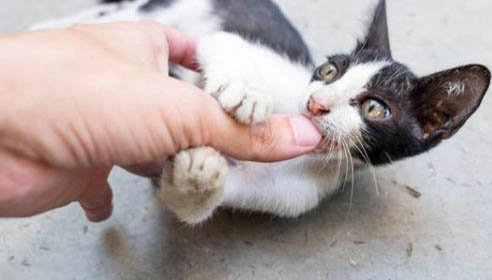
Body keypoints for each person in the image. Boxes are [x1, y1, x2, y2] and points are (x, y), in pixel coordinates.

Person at [0, 21, 322, 222]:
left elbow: (189, 198)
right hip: (176, 30)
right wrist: (236, 76)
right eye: (332, 72)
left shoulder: (299, 195)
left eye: (373, 110)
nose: (322, 102)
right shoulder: (295, 83)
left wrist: (196, 193)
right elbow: (219, 44)